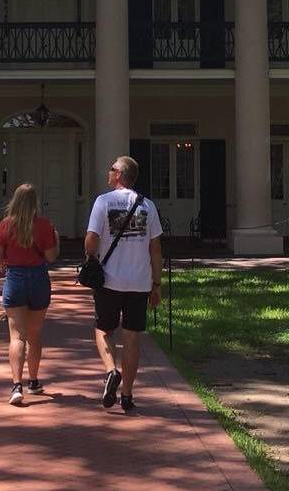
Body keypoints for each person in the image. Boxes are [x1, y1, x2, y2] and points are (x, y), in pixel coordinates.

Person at [84, 154, 163, 414]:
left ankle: (110, 370)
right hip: (139, 282)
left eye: (111, 169)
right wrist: (157, 283)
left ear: (119, 174)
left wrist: (91, 257)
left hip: (109, 280)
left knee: (103, 330)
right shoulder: (148, 206)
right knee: (132, 338)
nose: (108, 172)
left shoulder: (103, 202)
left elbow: (91, 239)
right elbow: (155, 249)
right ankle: (127, 394)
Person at [0, 182, 59, 406]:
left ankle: (16, 385)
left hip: (15, 278)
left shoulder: (6, 225)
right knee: (35, 334)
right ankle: (34, 380)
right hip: (39, 278)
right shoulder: (44, 225)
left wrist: (6, 268)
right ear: (34, 202)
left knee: (16, 336)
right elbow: (51, 257)